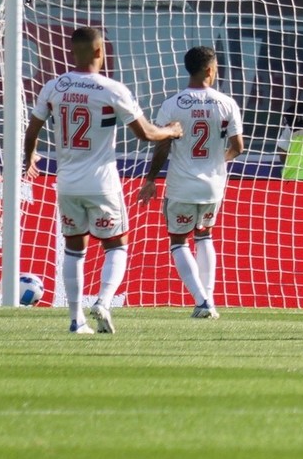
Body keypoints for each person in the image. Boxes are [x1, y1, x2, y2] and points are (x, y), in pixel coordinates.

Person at [21, 26, 183, 334]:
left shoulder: (54, 87)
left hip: (67, 181)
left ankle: (74, 319)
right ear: (99, 51)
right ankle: (104, 301)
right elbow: (146, 133)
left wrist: (28, 157)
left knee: (74, 248)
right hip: (102, 182)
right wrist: (173, 131)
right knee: (116, 244)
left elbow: (33, 130)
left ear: (73, 51)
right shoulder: (111, 89)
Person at [137, 45, 244, 320]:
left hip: (181, 185)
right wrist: (218, 161)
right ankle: (208, 298)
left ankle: (202, 300)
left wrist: (150, 179)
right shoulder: (226, 103)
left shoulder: (173, 104)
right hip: (213, 186)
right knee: (205, 236)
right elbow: (238, 146)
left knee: (178, 241)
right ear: (209, 69)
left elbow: (161, 146)